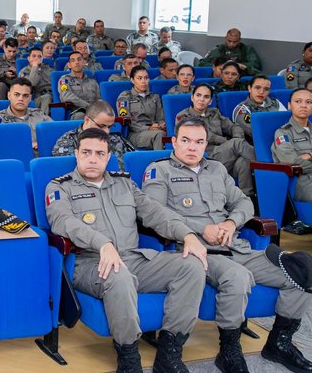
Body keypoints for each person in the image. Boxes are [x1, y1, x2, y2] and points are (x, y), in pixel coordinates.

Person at [143, 117, 312, 373]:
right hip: (195, 252)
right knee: (238, 277)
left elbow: (244, 203)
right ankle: (229, 350)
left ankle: (279, 342)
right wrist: (203, 229)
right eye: (186, 141)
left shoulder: (216, 169)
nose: (192, 147)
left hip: (236, 246)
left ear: (206, 144)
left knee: (303, 271)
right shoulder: (159, 170)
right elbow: (155, 215)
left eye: (199, 141)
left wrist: (230, 223)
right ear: (175, 141)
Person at [46, 128, 208, 373]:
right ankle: (129, 357)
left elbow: (155, 213)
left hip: (134, 258)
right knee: (119, 276)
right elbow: (63, 222)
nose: (92, 158)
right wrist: (103, 243)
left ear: (108, 156)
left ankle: (170, 352)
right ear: (76, 154)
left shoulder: (124, 183)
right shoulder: (60, 187)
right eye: (86, 152)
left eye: (99, 153)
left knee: (192, 266)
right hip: (91, 263)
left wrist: (187, 234)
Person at [175, 84, 256, 195]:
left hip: (224, 154)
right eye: (198, 95)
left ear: (210, 101)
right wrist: (226, 141)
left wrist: (237, 137)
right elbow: (201, 136)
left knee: (243, 161)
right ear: (192, 97)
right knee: (237, 144)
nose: (201, 99)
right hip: (204, 157)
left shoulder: (214, 113)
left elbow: (233, 126)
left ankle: (246, 198)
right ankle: (267, 164)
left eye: (206, 97)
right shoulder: (183, 116)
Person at [51, 100, 135, 168]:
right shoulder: (68, 142)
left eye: (110, 127)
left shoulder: (116, 139)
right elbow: (67, 173)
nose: (107, 131)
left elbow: (134, 161)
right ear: (87, 120)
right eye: (102, 126)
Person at [272, 88, 312, 202]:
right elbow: (291, 161)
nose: (303, 105)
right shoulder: (283, 133)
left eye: (309, 102)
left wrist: (310, 155)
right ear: (289, 105)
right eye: (298, 101)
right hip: (302, 181)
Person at [0, 78, 51, 150]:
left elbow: (54, 132)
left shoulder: (39, 115)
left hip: (40, 156)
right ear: (9, 96)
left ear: (30, 98)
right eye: (17, 95)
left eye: (25, 96)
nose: (21, 99)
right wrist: (28, 145)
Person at [117, 65, 166, 150]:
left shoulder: (154, 97)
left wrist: (161, 125)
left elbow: (160, 118)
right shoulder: (125, 97)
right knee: (160, 135)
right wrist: (148, 128)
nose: (144, 81)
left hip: (155, 130)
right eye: (139, 78)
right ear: (132, 80)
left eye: (146, 78)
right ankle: (160, 161)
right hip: (135, 134)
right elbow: (126, 121)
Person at [232, 74, 286, 141]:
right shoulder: (243, 109)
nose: (261, 92)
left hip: (281, 140)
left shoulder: (276, 103)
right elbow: (254, 132)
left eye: (266, 89)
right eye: (257, 87)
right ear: (249, 88)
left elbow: (287, 123)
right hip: (255, 145)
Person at [58, 51, 101, 120]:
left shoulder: (93, 82)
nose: (77, 62)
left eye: (79, 59)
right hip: (77, 112)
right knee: (81, 116)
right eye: (73, 60)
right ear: (69, 65)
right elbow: (66, 96)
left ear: (84, 62)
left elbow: (99, 100)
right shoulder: (64, 80)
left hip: (94, 112)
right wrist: (87, 106)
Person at [17, 46, 53, 113]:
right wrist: (35, 66)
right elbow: (32, 83)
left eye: (39, 56)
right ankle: (43, 120)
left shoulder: (48, 68)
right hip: (36, 98)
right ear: (28, 58)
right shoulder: (24, 72)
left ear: (42, 58)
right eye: (34, 56)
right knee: (46, 97)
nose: (37, 58)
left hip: (52, 95)